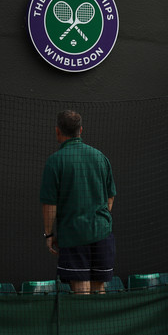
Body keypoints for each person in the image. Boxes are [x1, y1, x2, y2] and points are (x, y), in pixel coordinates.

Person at [40, 110, 117, 294]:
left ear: (57, 131)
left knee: (81, 288)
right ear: (80, 130)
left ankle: (86, 323)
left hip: (73, 236)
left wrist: (49, 235)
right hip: (102, 233)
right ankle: (101, 323)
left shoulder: (55, 162)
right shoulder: (100, 157)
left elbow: (50, 204)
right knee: (100, 287)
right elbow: (111, 195)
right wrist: (99, 220)